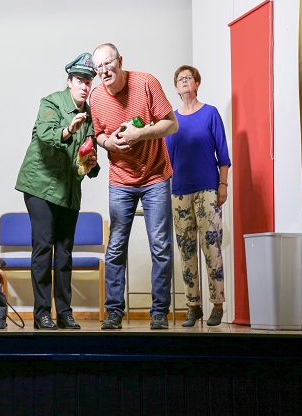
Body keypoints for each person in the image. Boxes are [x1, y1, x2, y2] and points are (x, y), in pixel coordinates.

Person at [90, 43, 178, 330]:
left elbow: (171, 125)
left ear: (120, 61)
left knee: (161, 247)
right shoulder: (96, 97)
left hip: (155, 176)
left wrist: (140, 134)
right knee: (116, 246)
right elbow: (99, 134)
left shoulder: (146, 82)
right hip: (121, 180)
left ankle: (159, 313)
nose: (104, 70)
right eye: (99, 67)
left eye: (108, 63)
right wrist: (108, 143)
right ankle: (114, 312)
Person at [15, 53, 100, 330]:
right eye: (79, 80)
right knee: (43, 248)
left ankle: (64, 313)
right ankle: (42, 314)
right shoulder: (51, 102)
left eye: (88, 81)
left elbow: (87, 155)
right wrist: (68, 129)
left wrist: (92, 164)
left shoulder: (90, 115)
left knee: (64, 252)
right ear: (69, 81)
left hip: (68, 191)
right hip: (40, 186)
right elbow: (46, 133)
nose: (84, 86)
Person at [166, 65, 230, 327]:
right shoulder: (171, 119)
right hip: (180, 192)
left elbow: (223, 155)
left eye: (188, 78)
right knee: (186, 250)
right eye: (180, 79)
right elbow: (166, 160)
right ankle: (193, 306)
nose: (184, 82)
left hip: (207, 190)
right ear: (176, 87)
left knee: (211, 247)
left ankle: (217, 304)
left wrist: (223, 185)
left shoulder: (210, 113)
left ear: (197, 83)